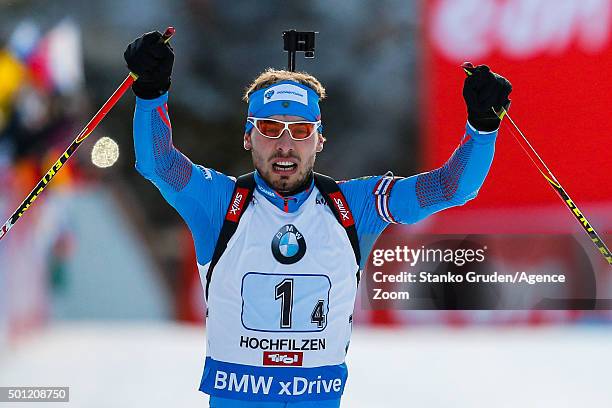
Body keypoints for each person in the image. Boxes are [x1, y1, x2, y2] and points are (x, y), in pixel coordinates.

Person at [124, 31, 512, 408]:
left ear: (320, 139)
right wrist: (152, 92)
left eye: (302, 130)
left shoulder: (356, 206)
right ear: (248, 136)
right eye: (270, 128)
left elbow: (450, 188)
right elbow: (158, 162)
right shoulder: (219, 202)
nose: (285, 145)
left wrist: (481, 128)